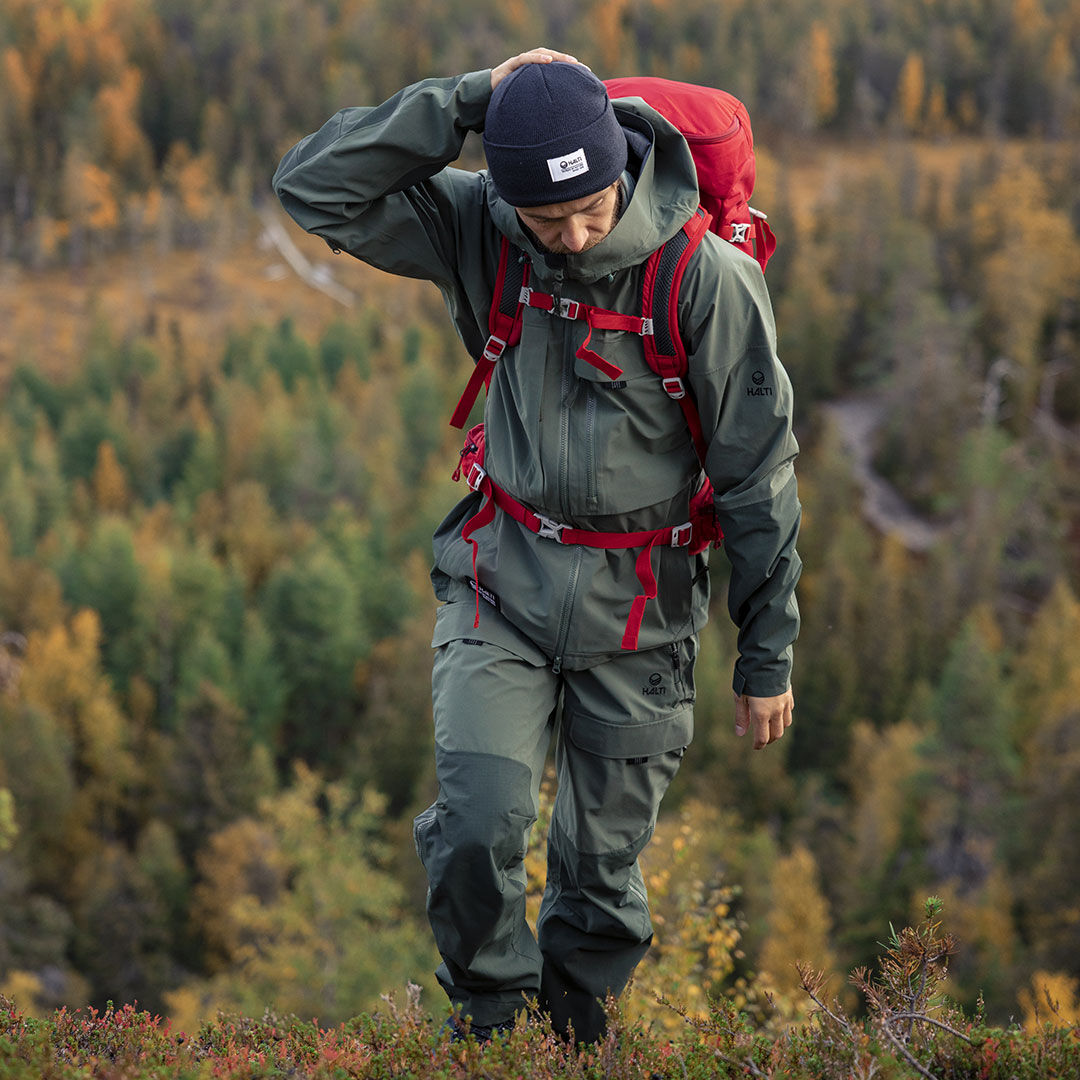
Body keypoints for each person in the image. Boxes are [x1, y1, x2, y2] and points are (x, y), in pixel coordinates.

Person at [273, 48, 801, 1045]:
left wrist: (767, 650)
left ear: (618, 164)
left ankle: (578, 1036)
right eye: (545, 217)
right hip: (500, 581)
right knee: (477, 825)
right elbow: (313, 186)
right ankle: (490, 1031)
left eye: (591, 208)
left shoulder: (706, 280)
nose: (570, 234)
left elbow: (758, 476)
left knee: (600, 870)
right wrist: (473, 100)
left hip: (640, 609)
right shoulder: (487, 229)